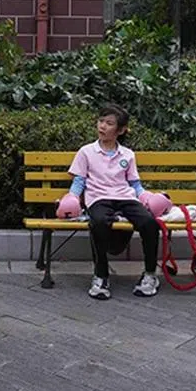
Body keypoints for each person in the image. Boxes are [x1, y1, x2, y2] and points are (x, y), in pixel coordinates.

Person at [57, 103, 161, 300]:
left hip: (124, 197)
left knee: (149, 223)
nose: (102, 126)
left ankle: (150, 275)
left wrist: (147, 197)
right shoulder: (86, 152)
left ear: (120, 130)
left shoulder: (128, 154)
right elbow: (79, 181)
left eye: (109, 123)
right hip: (98, 198)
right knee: (98, 222)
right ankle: (101, 276)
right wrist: (71, 199)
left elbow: (135, 184)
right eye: (101, 121)